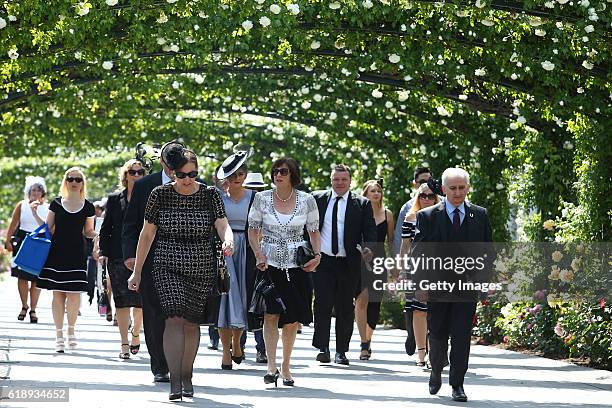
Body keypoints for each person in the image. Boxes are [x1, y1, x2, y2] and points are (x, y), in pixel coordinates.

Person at [128, 148, 234, 401]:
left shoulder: (209, 195)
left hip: (200, 265)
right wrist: (137, 272)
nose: (188, 179)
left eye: (193, 174)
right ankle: (175, 381)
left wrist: (228, 241)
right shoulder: (159, 195)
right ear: (172, 172)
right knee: (174, 317)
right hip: (167, 263)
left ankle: (187, 375)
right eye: (182, 174)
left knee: (190, 322)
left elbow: (222, 223)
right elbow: (146, 234)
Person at [412, 167, 493, 402]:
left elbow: (488, 251)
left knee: (461, 335)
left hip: (467, 287)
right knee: (437, 332)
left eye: (461, 188)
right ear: (444, 189)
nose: (457, 193)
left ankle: (458, 384)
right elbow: (419, 253)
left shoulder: (480, 215)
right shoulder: (428, 216)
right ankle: (436, 369)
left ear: (467, 188)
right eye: (453, 188)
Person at [248, 157, 320, 387]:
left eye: (283, 171)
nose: (278, 175)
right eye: (275, 171)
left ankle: (286, 366)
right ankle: (271, 365)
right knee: (270, 314)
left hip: (296, 265)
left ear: (293, 175)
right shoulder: (261, 198)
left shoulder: (307, 200)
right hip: (268, 264)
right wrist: (259, 254)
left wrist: (317, 256)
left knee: (291, 320)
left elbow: (314, 232)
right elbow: (253, 230)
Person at [122, 141, 183, 383]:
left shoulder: (194, 186)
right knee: (155, 312)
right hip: (150, 258)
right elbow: (131, 224)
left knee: (179, 313)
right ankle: (159, 363)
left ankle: (178, 360)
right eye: (170, 167)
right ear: (162, 163)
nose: (174, 173)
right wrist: (130, 255)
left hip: (184, 259)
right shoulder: (145, 186)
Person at [311, 164, 377, 365]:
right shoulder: (317, 199)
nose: (339, 183)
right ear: (331, 180)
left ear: (350, 181)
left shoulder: (361, 204)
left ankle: (341, 351)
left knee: (345, 307)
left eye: (343, 179)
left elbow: (370, 230)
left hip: (348, 262)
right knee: (322, 304)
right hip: (322, 261)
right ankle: (323, 348)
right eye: (336, 179)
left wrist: (369, 249)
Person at [37, 167, 97, 352]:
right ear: (65, 181)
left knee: (74, 294)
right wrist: (34, 215)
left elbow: (88, 231)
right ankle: (58, 335)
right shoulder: (56, 203)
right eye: (70, 178)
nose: (74, 182)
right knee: (57, 294)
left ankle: (71, 331)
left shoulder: (88, 206)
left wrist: (100, 235)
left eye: (78, 179)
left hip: (77, 253)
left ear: (82, 183)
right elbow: (48, 227)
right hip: (56, 252)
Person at [99, 159, 146, 359]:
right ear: (125, 175)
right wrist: (103, 252)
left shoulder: (150, 198)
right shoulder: (114, 199)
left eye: (140, 172)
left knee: (140, 301)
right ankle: (124, 344)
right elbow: (106, 228)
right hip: (117, 256)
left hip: (143, 255)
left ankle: (136, 332)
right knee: (121, 300)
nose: (136, 175)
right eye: (132, 172)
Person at [215, 151, 258, 370]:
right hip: (225, 251)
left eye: (241, 173)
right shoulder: (218, 197)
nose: (237, 178)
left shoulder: (254, 198)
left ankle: (237, 342)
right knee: (225, 298)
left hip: (248, 250)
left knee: (242, 297)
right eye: (233, 174)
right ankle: (225, 350)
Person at [399, 182, 441, 367]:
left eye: (430, 196)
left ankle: (436, 351)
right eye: (422, 195)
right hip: (416, 269)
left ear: (436, 197)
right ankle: (421, 352)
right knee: (418, 311)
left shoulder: (442, 216)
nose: (426, 199)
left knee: (437, 311)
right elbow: (405, 245)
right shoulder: (411, 217)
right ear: (417, 197)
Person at [355, 179, 394, 360]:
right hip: (361, 259)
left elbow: (392, 241)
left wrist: (395, 265)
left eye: (378, 190)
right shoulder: (359, 212)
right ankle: (363, 343)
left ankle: (368, 339)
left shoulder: (388, 214)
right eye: (372, 191)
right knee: (361, 300)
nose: (376, 193)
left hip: (380, 260)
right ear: (365, 194)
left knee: (375, 303)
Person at [4, 177, 49, 323]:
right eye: (33, 190)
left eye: (38, 190)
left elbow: (50, 227)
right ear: (28, 192)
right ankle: (24, 306)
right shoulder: (22, 205)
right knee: (22, 276)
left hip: (40, 242)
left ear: (43, 193)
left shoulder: (48, 208)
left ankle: (34, 309)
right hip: (23, 240)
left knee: (36, 278)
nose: (35, 193)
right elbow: (14, 223)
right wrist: (7, 240)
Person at [392, 167, 432, 255]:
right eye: (422, 182)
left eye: (429, 181)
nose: (426, 184)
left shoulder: (443, 204)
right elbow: (400, 239)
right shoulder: (407, 208)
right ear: (415, 184)